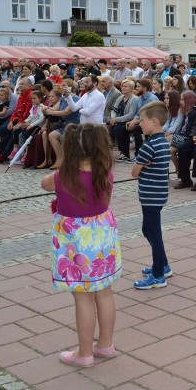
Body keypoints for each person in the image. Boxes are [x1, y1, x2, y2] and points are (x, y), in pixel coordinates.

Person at [41, 123, 121, 368]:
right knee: (105, 293)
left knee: (83, 298)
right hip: (103, 239)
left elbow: (44, 183)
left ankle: (84, 352)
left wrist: (62, 160)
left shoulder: (63, 176)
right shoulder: (104, 170)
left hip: (77, 244)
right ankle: (105, 344)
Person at [132, 101, 173, 290]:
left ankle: (158, 274)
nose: (140, 123)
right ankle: (162, 265)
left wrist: (141, 166)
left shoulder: (148, 146)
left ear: (154, 121)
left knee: (154, 234)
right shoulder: (163, 141)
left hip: (150, 196)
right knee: (147, 230)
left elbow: (134, 172)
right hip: (158, 195)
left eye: (142, 120)